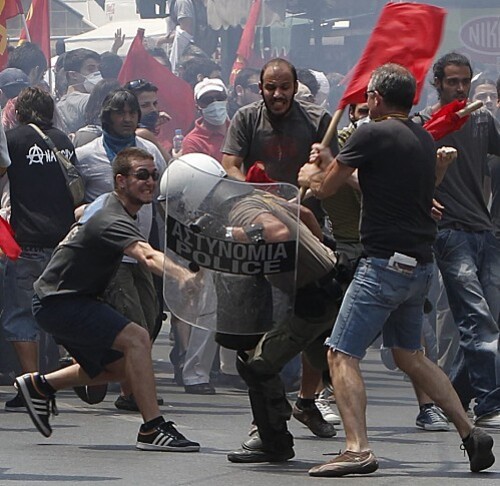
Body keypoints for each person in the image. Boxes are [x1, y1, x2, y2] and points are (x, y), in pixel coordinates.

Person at [298, 63, 494, 477]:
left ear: (376, 98)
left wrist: (314, 173)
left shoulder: (372, 132)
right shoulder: (423, 139)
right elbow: (382, 187)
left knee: (340, 353)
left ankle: (357, 448)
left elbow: (326, 188)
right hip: (418, 264)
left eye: (368, 96)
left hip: (382, 265)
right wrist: (333, 162)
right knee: (411, 355)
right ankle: (469, 430)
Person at [14, 147, 200, 452]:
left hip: (64, 298)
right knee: (138, 339)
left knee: (123, 367)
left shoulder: (107, 204)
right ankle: (153, 428)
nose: (150, 181)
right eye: (141, 175)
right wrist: (184, 277)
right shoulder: (114, 218)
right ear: (121, 181)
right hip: (60, 301)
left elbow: (80, 212)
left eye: (154, 175)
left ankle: (40, 385)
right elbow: (146, 254)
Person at [160, 152, 342, 462]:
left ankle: (274, 442)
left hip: (315, 300)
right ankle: (354, 442)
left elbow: (278, 233)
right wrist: (322, 250)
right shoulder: (255, 195)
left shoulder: (240, 208)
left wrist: (228, 234)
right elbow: (304, 214)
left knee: (258, 366)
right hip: (327, 289)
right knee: (335, 370)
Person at [222, 57, 339, 439]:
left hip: (308, 228)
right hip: (261, 226)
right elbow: (231, 165)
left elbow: (333, 169)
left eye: (283, 86)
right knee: (264, 323)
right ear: (260, 88)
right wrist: (263, 197)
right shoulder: (245, 119)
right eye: (270, 87)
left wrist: (320, 168)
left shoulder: (318, 121)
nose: (277, 94)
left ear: (294, 86)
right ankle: (265, 420)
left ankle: (307, 399)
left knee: (311, 317)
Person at [415, 53, 500, 428]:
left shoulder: (482, 118)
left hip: (484, 229)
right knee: (475, 318)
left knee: (489, 318)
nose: (460, 89)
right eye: (452, 81)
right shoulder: (424, 126)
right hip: (449, 233)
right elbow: (406, 176)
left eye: (465, 81)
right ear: (438, 82)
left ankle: (452, 396)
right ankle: (489, 402)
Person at [75, 89, 167, 411]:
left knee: (152, 318)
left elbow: (163, 196)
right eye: (120, 113)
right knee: (134, 321)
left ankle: (91, 367)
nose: (128, 118)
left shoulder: (149, 150)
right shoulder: (86, 154)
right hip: (110, 254)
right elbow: (74, 199)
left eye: (132, 113)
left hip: (143, 249)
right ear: (107, 116)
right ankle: (133, 392)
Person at [2, 87, 76, 412]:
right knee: (64, 311)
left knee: (21, 315)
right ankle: (68, 374)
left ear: (20, 112)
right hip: (64, 243)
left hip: (27, 241)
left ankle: (32, 386)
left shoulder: (14, 140)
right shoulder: (63, 141)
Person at [57, 48, 101, 133]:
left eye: (98, 69)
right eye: (91, 69)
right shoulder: (89, 100)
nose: (97, 73)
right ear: (73, 75)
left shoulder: (58, 106)